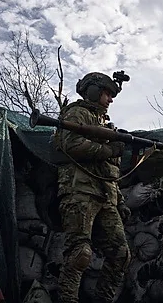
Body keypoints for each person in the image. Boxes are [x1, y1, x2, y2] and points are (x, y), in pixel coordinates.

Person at [52, 72, 131, 303]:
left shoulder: (105, 124)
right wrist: (109, 150)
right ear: (93, 91)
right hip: (80, 192)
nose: (110, 99)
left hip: (106, 197)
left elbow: (110, 171)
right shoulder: (77, 113)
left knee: (120, 255)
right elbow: (71, 143)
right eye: (107, 93)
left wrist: (120, 200)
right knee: (80, 254)